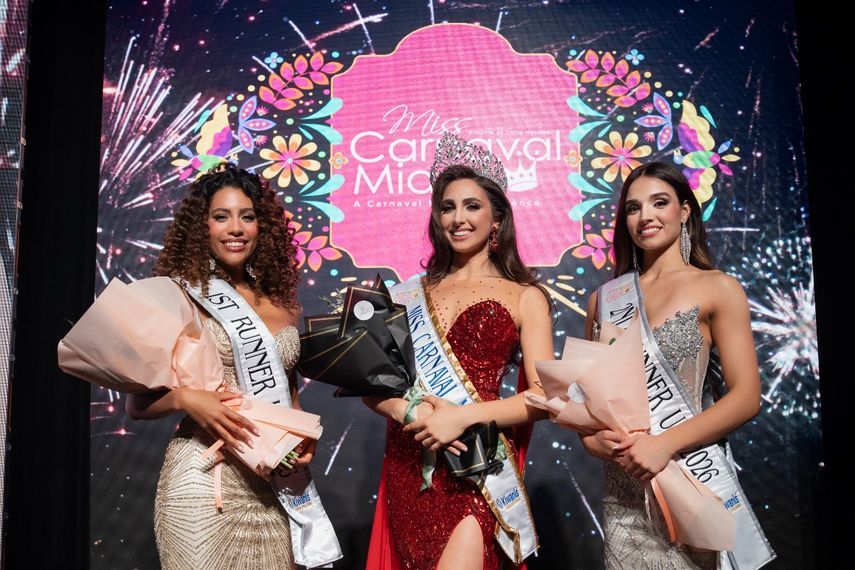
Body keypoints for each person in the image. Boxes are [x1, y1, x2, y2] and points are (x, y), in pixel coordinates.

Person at [126, 163, 337, 569]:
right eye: (221, 216)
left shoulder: (283, 304)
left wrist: (303, 436)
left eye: (248, 216)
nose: (236, 228)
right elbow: (136, 406)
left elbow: (287, 393)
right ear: (201, 227)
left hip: (271, 482)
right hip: (205, 475)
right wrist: (188, 399)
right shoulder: (179, 297)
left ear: (263, 227)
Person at [364, 133, 553, 570]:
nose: (458, 218)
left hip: (474, 464)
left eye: (472, 206)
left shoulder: (525, 296)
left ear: (497, 219)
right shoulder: (407, 295)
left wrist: (461, 416)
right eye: (447, 207)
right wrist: (412, 413)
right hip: (411, 460)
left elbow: (544, 399)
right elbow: (372, 384)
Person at [581, 161, 770, 569]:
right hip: (626, 490)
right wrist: (594, 442)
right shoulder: (605, 299)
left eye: (659, 202)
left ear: (684, 211)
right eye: (633, 208)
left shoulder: (717, 287)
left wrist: (663, 443)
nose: (645, 216)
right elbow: (586, 406)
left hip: (689, 479)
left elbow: (746, 397)